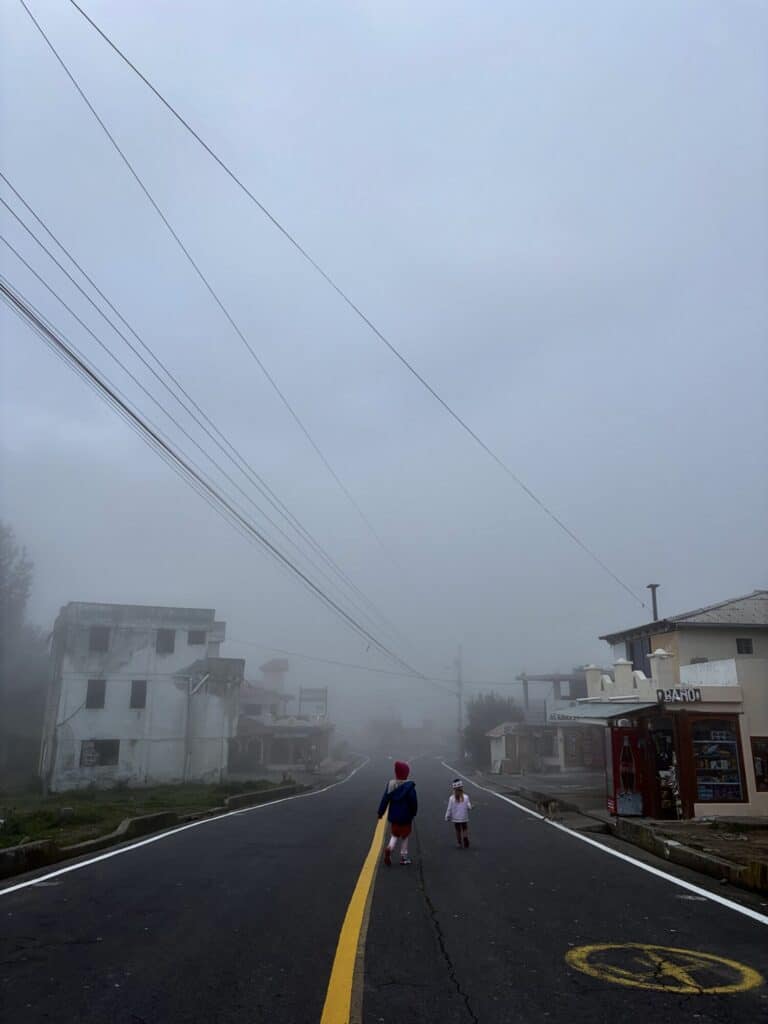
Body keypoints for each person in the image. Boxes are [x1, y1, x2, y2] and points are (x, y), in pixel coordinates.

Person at [377, 760, 418, 865]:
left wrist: (380, 812)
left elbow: (384, 800)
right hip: (406, 816)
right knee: (405, 836)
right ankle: (404, 857)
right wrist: (414, 812)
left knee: (394, 835)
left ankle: (389, 848)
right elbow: (413, 801)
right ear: (406, 773)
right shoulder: (409, 786)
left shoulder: (391, 785)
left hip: (394, 816)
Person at [445, 778, 472, 848]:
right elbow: (469, 806)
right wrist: (471, 807)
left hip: (456, 818)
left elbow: (449, 808)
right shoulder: (466, 797)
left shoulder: (451, 798)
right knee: (464, 828)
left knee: (458, 830)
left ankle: (459, 843)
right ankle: (465, 837)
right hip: (464, 817)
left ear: (454, 789)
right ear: (462, 787)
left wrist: (447, 816)